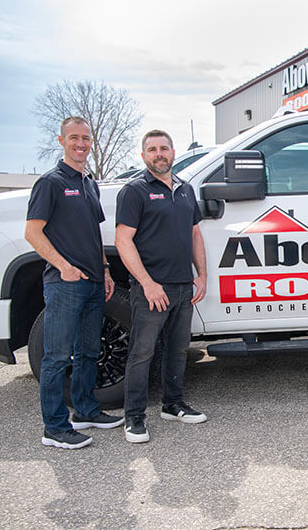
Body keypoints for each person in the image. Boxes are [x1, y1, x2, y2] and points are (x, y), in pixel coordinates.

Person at [25, 116, 121, 449]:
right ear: (62, 141)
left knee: (88, 352)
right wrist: (64, 267)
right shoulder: (50, 183)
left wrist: (105, 269)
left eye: (86, 138)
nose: (81, 144)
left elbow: (93, 233)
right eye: (74, 138)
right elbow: (32, 232)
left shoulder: (89, 183)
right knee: (56, 357)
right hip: (65, 283)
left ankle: (86, 411)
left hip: (94, 281)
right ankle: (54, 428)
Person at [115, 129, 208, 443]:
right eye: (152, 149)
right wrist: (147, 283)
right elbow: (123, 240)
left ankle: (173, 404)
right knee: (142, 353)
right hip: (151, 289)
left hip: (183, 286)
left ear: (173, 152)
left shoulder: (185, 189)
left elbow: (195, 234)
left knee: (178, 349)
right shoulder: (134, 191)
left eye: (164, 148)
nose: (159, 154)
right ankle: (134, 417)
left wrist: (202, 275)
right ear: (144, 156)